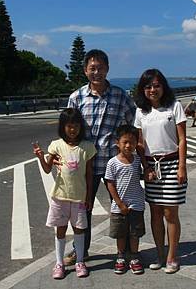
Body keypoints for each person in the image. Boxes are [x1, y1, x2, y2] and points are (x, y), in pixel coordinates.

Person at [65, 49, 136, 265]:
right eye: (92, 68)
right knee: (82, 209)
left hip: (115, 163)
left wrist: (136, 154)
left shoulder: (120, 95)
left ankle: (127, 250)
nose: (96, 72)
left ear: (107, 69)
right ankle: (80, 250)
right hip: (86, 164)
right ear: (85, 70)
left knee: (124, 205)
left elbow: (134, 124)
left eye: (101, 68)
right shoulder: (76, 97)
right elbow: (68, 130)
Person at [134, 69, 188, 274]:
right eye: (148, 86)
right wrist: (145, 167)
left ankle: (172, 256)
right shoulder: (141, 112)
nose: (152, 89)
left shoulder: (174, 107)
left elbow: (182, 139)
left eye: (156, 85)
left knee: (170, 212)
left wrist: (182, 166)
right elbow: (140, 143)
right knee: (155, 213)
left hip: (172, 164)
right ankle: (160, 254)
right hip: (151, 167)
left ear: (163, 86)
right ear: (142, 90)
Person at [33, 108, 96, 279]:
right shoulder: (56, 145)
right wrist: (40, 157)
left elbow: (89, 175)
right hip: (60, 197)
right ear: (63, 127)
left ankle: (80, 261)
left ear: (80, 127)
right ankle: (59, 263)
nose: (72, 129)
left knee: (79, 231)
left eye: (75, 125)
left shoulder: (87, 147)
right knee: (60, 230)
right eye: (69, 126)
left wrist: (89, 197)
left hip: (79, 198)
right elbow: (47, 169)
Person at [104, 125, 146, 275]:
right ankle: (120, 257)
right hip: (119, 206)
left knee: (135, 233)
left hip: (137, 204)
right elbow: (110, 183)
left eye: (132, 142)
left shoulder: (137, 161)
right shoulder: (112, 163)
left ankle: (134, 257)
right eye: (125, 142)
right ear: (118, 143)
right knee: (121, 234)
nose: (129, 145)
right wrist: (120, 203)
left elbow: (143, 174)